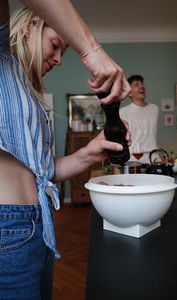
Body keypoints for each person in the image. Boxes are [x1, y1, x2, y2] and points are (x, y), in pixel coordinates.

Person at [0, 1, 131, 299]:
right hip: (6, 227)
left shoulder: (25, 89)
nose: (59, 59)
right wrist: (91, 50)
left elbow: (43, 173)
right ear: (29, 27)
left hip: (36, 226)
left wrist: (90, 152)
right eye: (56, 45)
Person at [120, 74, 159, 164]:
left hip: (153, 156)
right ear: (129, 92)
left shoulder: (155, 109)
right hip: (133, 157)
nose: (142, 86)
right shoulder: (123, 112)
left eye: (142, 83)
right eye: (136, 84)